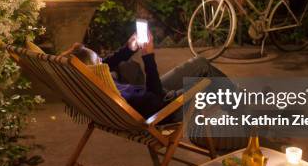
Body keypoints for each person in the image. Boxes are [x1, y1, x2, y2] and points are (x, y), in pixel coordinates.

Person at [61, 31, 227, 122]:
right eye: (99, 60)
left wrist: (129, 48)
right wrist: (148, 57)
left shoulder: (93, 84)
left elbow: (107, 63)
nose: (103, 61)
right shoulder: (124, 96)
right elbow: (156, 99)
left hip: (149, 97)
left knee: (200, 63)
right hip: (164, 109)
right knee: (210, 82)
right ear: (94, 70)